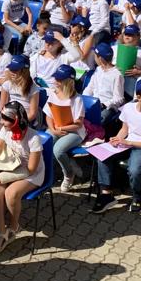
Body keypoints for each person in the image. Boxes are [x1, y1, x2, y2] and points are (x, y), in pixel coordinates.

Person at [92, 78, 141, 214]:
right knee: (102, 156)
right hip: (128, 143)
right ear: (139, 97)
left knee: (134, 170)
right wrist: (118, 138)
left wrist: (129, 142)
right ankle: (106, 194)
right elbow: (124, 129)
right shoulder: (128, 108)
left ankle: (137, 195)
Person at [0, 101, 45, 255]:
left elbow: (31, 169)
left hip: (32, 174)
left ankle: (13, 228)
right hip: (13, 166)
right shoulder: (5, 131)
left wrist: (7, 177)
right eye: (1, 117)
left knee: (11, 193)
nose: (1, 122)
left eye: (5, 119)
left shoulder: (34, 138)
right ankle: (1, 231)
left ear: (17, 120)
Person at [44, 63, 87, 191]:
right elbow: (48, 115)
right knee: (45, 144)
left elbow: (78, 124)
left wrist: (61, 129)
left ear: (67, 82)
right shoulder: (53, 94)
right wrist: (53, 129)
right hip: (56, 128)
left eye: (58, 79)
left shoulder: (77, 99)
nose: (55, 81)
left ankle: (68, 174)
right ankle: (50, 173)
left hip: (75, 132)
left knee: (58, 150)